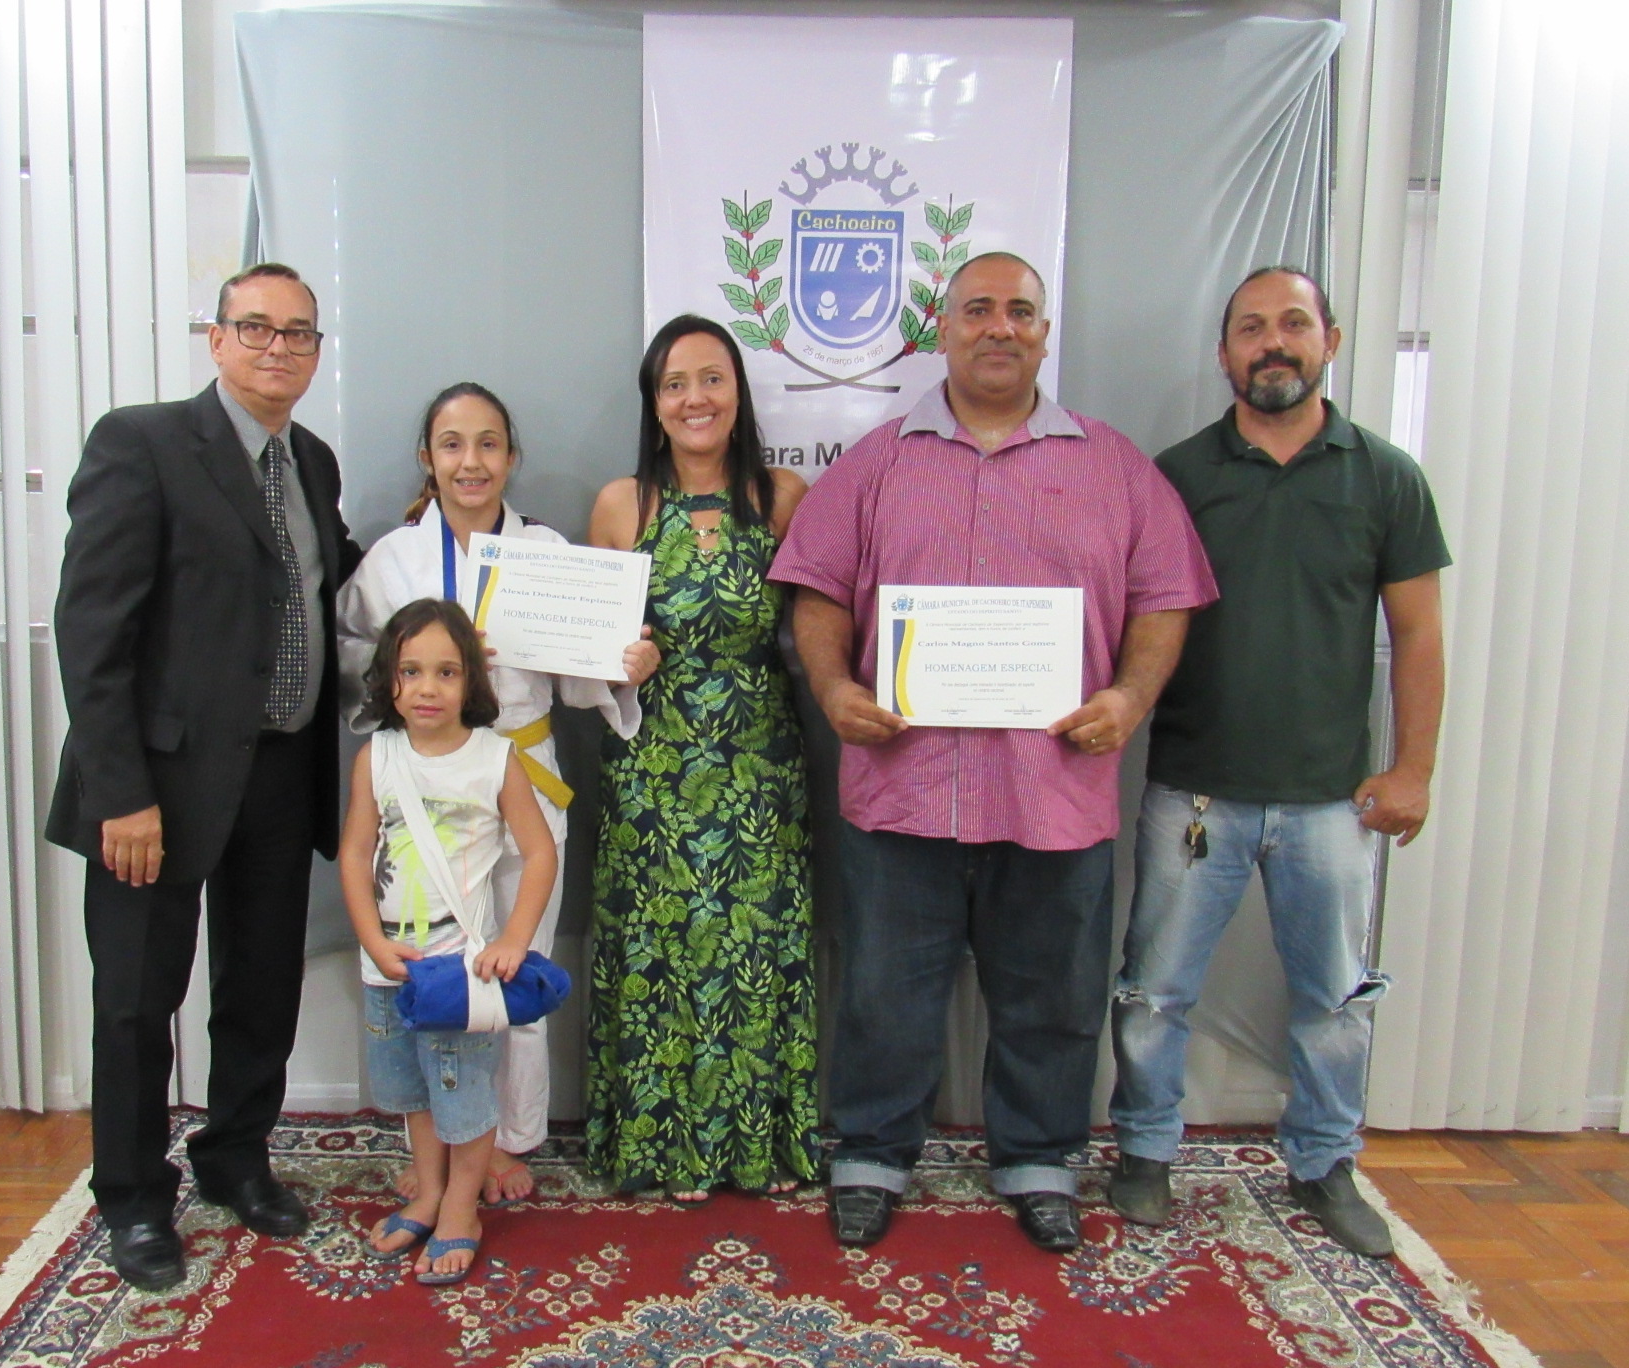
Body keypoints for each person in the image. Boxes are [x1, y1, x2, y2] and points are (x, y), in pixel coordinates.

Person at [769, 252, 1218, 1253]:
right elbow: (816, 592)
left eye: (1020, 311)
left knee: (1052, 997)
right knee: (882, 994)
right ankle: (871, 1155)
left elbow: (1165, 596)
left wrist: (1128, 697)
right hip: (904, 790)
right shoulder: (876, 463)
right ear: (944, 330)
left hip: (1052, 791)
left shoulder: (1113, 466)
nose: (999, 327)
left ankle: (1038, 1159)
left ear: (1044, 334)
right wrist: (834, 689)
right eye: (978, 310)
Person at [1106, 267, 1449, 1258]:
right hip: (1193, 790)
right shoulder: (1174, 476)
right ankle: (1144, 1149)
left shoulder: (1385, 476)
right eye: (1251, 328)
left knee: (1335, 1001)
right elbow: (1130, 616)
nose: (1272, 343)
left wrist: (1414, 770)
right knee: (1153, 993)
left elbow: (1418, 633)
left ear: (1328, 340)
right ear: (1223, 353)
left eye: (1293, 323)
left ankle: (1324, 1161)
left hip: (1332, 800)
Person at [46, 263, 362, 1291]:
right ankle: (135, 1198)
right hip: (159, 787)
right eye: (256, 327)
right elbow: (91, 633)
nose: (278, 347)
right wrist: (119, 794)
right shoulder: (140, 444)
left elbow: (337, 583)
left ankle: (234, 1157)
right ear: (216, 339)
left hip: (281, 770)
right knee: (137, 1002)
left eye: (298, 332)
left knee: (260, 985)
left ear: (316, 352)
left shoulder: (311, 461)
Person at [336, 382, 659, 1205]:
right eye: (452, 444)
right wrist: (419, 665)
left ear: (512, 457)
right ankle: (436, 1149)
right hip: (426, 787)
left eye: (488, 444)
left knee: (513, 961)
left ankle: (510, 1141)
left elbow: (582, 675)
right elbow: (353, 652)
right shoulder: (393, 559)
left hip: (521, 771)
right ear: (428, 458)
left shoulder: (545, 552)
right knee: (426, 964)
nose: (470, 461)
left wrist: (623, 663)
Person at [583, 314, 817, 1200]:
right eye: (674, 384)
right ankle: (661, 1150)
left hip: (760, 770)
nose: (694, 399)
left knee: (752, 951)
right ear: (654, 403)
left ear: (738, 392)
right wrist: (621, 661)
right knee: (661, 955)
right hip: (654, 770)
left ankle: (754, 1149)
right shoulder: (621, 506)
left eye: (711, 379)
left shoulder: (782, 497)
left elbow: (820, 627)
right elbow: (590, 651)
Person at [339, 598, 558, 1286]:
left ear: (471, 681)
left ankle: (462, 1208)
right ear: (389, 680)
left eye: (446, 672)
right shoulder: (377, 757)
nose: (427, 688)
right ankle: (430, 1193)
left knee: (464, 1096)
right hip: (389, 968)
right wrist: (372, 943)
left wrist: (514, 940)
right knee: (413, 1094)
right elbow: (355, 855)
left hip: (459, 972)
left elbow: (540, 852)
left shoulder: (495, 758)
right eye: (411, 671)